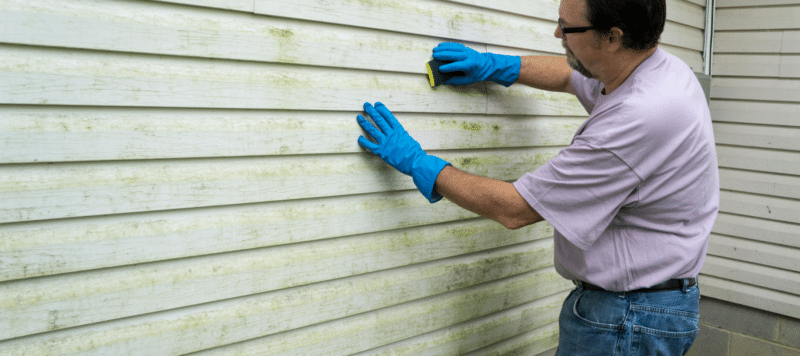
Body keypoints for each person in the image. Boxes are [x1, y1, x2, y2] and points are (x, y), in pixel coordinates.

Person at [355, 0, 719, 354]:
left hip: (626, 319)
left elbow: (515, 209)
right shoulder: (654, 67)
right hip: (642, 306)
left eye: (568, 26)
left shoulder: (638, 117)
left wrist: (417, 163)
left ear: (613, 37)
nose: (557, 32)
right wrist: (496, 66)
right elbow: (569, 75)